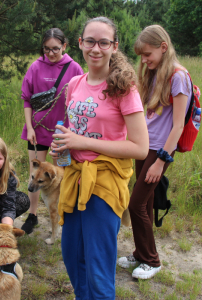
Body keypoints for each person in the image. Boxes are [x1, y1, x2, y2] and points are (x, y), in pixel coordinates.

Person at [49, 17, 149, 300]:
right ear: (79, 43)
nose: (96, 48)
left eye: (104, 42)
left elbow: (140, 147)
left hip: (104, 183)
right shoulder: (74, 84)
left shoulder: (124, 88)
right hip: (75, 178)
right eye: (90, 41)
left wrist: (81, 142)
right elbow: (76, 131)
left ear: (114, 46)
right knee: (72, 257)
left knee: (97, 267)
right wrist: (64, 147)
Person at [117, 25, 192, 280]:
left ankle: (152, 260)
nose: (144, 60)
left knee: (135, 203)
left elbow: (178, 125)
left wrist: (161, 161)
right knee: (144, 204)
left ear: (163, 47)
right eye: (141, 56)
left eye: (148, 54)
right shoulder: (154, 72)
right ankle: (140, 254)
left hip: (160, 150)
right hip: (144, 145)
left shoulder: (178, 76)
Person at [20, 28, 83, 234]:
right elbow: (27, 99)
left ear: (64, 46)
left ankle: (60, 217)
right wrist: (29, 128)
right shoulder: (36, 67)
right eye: (46, 49)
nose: (51, 53)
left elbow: (81, 101)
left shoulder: (74, 68)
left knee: (57, 177)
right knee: (35, 174)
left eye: (55, 49)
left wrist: (74, 134)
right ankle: (33, 215)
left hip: (62, 132)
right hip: (36, 131)